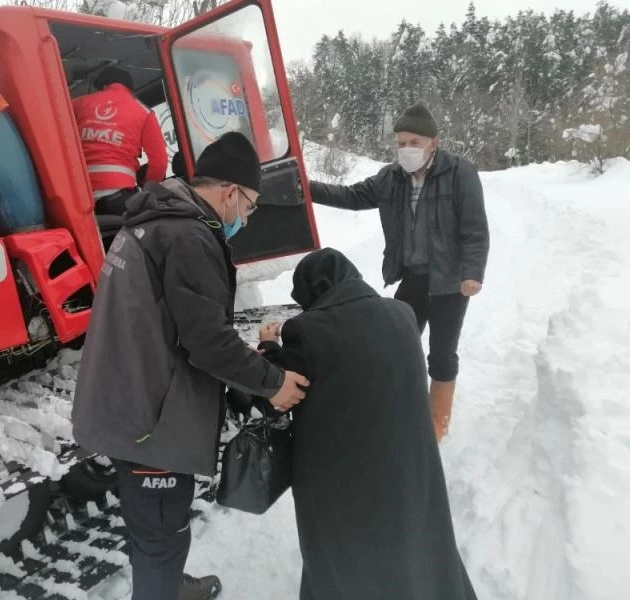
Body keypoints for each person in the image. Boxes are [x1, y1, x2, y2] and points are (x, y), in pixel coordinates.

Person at [71, 131, 310, 600]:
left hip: (129, 402)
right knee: (162, 531)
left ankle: (166, 583)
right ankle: (161, 588)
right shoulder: (189, 236)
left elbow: (176, 326)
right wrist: (271, 383)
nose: (246, 216)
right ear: (229, 191)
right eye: (250, 205)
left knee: (156, 528)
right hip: (150, 423)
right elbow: (207, 341)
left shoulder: (151, 222)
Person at [257, 248, 478, 600]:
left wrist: (268, 347)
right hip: (410, 463)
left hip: (345, 475)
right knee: (418, 543)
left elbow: (278, 394)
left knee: (341, 553)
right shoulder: (402, 313)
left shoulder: (307, 330)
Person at [308, 101, 490, 441]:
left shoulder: (459, 172)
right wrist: (306, 187)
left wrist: (472, 272)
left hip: (450, 281)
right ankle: (399, 405)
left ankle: (437, 422)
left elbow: (475, 228)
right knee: (397, 341)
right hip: (414, 277)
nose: (406, 149)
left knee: (441, 352)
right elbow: (350, 196)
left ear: (434, 142)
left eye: (414, 142)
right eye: (401, 143)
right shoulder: (390, 177)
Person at [72, 66, 168, 216]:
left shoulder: (78, 103)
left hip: (78, 196)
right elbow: (160, 162)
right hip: (119, 196)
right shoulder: (143, 111)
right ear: (130, 90)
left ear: (104, 87)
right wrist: (147, 191)